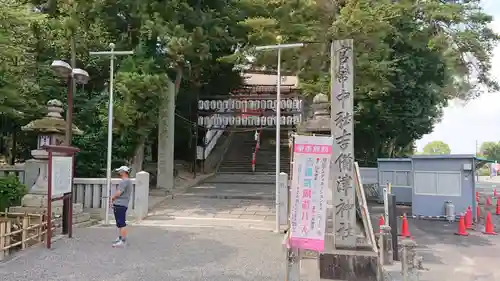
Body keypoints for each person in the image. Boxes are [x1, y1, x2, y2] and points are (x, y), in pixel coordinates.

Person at [111, 165, 132, 247]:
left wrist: (112, 198)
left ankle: (123, 241)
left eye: (120, 171)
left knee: (121, 222)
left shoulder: (124, 181)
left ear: (123, 172)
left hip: (120, 203)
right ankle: (120, 238)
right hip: (123, 203)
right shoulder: (128, 181)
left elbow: (119, 192)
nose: (118, 172)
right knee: (120, 222)